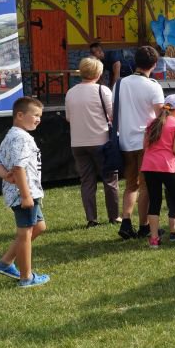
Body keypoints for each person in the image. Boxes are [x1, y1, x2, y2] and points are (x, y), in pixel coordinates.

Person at [0, 97, 50, 287]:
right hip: (25, 194)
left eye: (40, 116)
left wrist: (5, 176)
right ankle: (26, 278)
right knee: (25, 234)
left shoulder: (11, 134)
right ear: (20, 115)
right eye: (35, 115)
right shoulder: (22, 138)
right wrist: (26, 195)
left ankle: (5, 263)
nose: (38, 119)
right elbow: (19, 168)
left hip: (27, 192)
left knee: (39, 226)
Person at [65, 57, 120, 227]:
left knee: (87, 181)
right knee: (110, 180)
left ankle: (91, 219)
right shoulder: (103, 90)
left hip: (77, 142)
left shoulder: (71, 92)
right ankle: (114, 216)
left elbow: (68, 117)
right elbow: (113, 115)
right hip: (100, 141)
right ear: (99, 73)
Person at [116, 46, 165, 240]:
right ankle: (144, 225)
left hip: (125, 140)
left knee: (131, 184)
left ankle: (126, 221)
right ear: (154, 64)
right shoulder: (153, 86)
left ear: (135, 62)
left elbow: (113, 112)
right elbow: (160, 115)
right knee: (145, 186)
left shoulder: (120, 83)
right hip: (146, 141)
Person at [141, 94, 175, 248]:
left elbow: (145, 146)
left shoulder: (152, 123)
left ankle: (154, 239)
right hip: (167, 166)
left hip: (149, 166)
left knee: (155, 201)